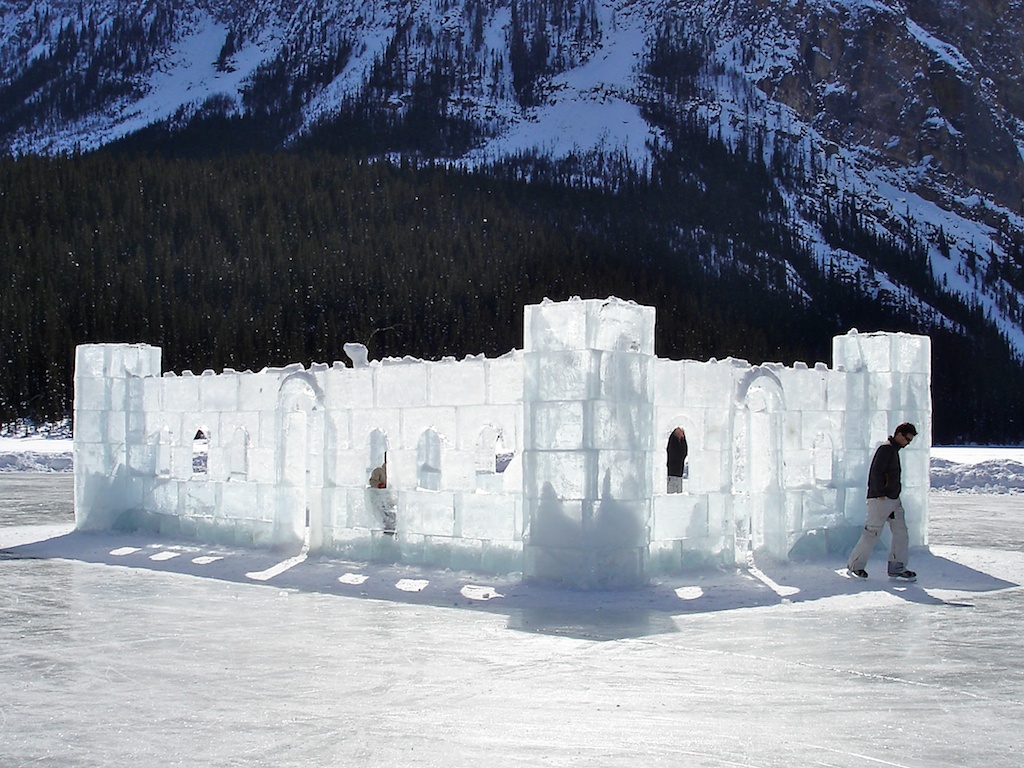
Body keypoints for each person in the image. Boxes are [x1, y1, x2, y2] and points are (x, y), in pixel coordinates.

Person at [847, 422, 918, 580]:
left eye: (910, 440)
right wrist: (879, 493)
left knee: (901, 533)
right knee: (872, 532)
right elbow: (876, 472)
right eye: (907, 438)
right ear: (899, 434)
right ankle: (855, 565)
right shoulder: (886, 449)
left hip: (892, 499)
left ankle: (897, 567)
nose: (907, 443)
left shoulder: (892, 450)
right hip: (881, 499)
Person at [368, 454, 397, 534]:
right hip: (379, 498)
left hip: (388, 499)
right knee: (384, 516)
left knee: (392, 517)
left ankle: (391, 532)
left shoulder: (394, 474)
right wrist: (379, 485)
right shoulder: (378, 471)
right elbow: (372, 481)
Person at [666, 427, 688, 494]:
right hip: (671, 474)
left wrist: (683, 439)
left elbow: (684, 453)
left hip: (678, 475)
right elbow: (677, 454)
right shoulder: (673, 441)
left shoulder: (680, 442)